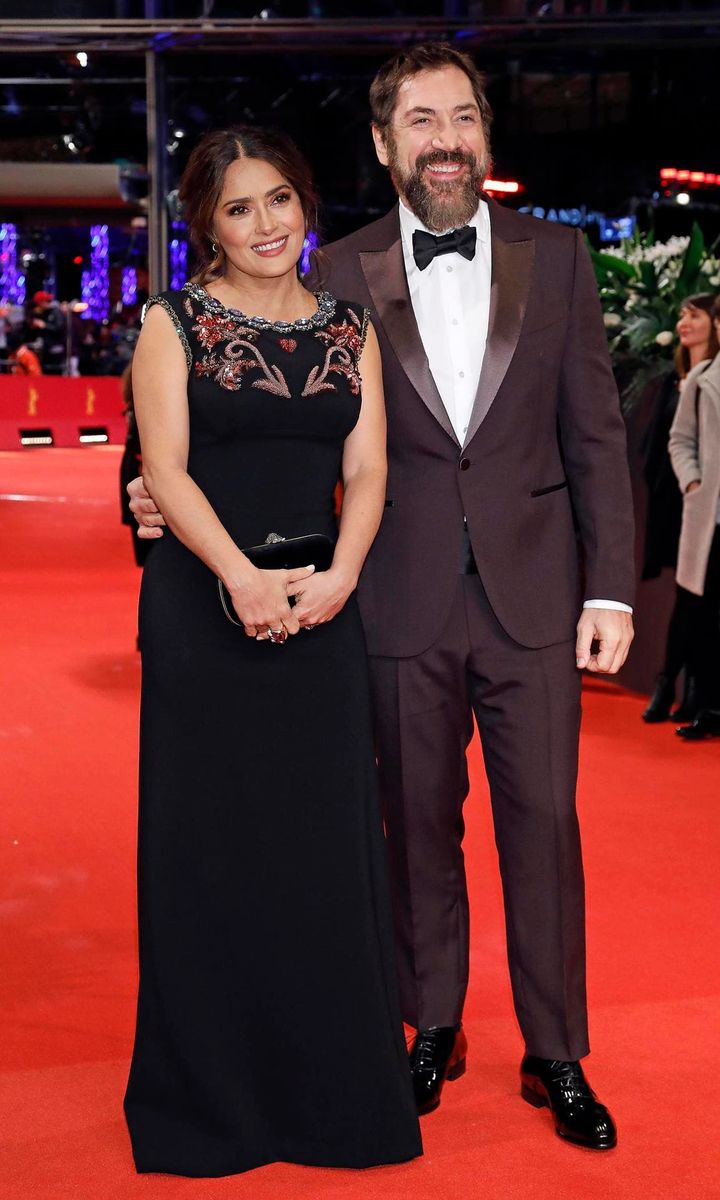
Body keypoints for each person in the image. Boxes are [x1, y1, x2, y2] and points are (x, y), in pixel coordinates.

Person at [129, 43, 635, 1151]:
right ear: (382, 142)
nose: (443, 137)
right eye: (419, 120)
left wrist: (613, 592)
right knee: (414, 827)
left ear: (485, 134)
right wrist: (146, 493)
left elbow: (596, 435)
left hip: (535, 594)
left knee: (545, 826)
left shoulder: (559, 260)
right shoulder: (341, 275)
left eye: (461, 116)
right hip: (392, 597)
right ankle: (430, 1025)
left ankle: (557, 1052)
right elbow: (265, 424)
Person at [123, 125, 422, 1177]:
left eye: (282, 199)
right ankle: (214, 1102)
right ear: (205, 222)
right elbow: (163, 466)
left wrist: (340, 574)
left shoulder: (351, 327)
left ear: (307, 206)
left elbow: (372, 466)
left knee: (324, 854)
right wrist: (239, 578)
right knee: (211, 853)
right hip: (205, 616)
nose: (266, 225)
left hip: (324, 616)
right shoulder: (175, 322)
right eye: (240, 207)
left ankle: (332, 1098)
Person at [642, 293, 719, 723]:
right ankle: (672, 686)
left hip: (698, 504)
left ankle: (698, 697)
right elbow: (673, 440)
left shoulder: (702, 376)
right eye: (682, 315)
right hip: (690, 503)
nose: (685, 322)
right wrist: (691, 481)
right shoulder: (690, 377)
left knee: (704, 604)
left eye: (695, 314)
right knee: (692, 601)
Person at [669, 294, 720, 740]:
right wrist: (693, 482)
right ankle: (708, 707)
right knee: (705, 616)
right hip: (712, 517)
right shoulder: (703, 379)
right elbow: (680, 440)